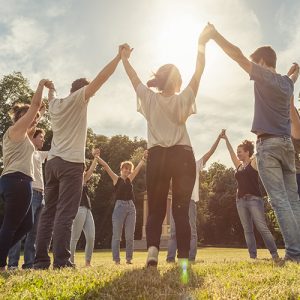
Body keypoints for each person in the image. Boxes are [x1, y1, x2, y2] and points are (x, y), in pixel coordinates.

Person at [207, 23, 300, 262]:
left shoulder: (264, 76)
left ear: (261, 62)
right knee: (293, 200)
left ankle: (293, 253)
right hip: (287, 147)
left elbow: (237, 55)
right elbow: (292, 75)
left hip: (268, 146)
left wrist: (216, 35)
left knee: (279, 201)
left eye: (255, 63)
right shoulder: (287, 84)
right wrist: (295, 68)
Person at [121, 25, 210, 267]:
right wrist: (202, 42)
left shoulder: (149, 99)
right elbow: (199, 71)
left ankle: (152, 251)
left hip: (158, 156)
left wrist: (124, 59)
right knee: (180, 210)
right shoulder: (183, 98)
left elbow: (133, 78)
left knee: (157, 207)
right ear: (178, 80)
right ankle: (182, 260)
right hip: (182, 156)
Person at [34, 45, 127, 270]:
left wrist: (51, 87)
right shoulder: (80, 99)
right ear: (83, 91)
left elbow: (52, 94)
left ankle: (40, 261)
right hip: (71, 164)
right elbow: (101, 78)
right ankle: (62, 261)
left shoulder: (56, 103)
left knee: (48, 213)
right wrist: (119, 57)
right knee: (65, 213)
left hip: (53, 163)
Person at [0, 79, 51, 271]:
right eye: (29, 116)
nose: (33, 120)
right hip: (17, 180)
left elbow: (35, 118)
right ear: (20, 117)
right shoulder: (14, 130)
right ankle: (1, 264)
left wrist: (41, 114)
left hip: (18, 182)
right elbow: (35, 107)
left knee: (26, 224)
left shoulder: (23, 136)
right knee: (11, 225)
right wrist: (40, 86)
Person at [166, 130, 223, 263]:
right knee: (173, 232)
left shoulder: (196, 165)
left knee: (191, 231)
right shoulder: (175, 168)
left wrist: (218, 139)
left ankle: (191, 258)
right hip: (176, 202)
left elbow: (210, 153)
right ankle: (170, 258)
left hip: (190, 202)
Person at [221, 131, 279, 260]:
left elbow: (260, 151)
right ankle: (253, 256)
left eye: (240, 151)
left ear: (247, 152)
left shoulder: (254, 162)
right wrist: (226, 139)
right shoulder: (239, 166)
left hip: (254, 199)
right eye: (238, 152)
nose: (238, 153)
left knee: (262, 227)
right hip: (240, 201)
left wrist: (261, 135)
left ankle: (274, 254)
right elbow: (231, 153)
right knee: (247, 230)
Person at [97, 151, 147, 264]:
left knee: (129, 236)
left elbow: (138, 168)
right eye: (126, 168)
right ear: (122, 169)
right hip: (119, 208)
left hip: (131, 208)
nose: (128, 171)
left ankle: (129, 259)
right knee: (117, 236)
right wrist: (97, 157)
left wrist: (143, 158)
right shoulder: (116, 179)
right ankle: (116, 260)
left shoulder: (130, 179)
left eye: (129, 169)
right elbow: (106, 166)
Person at [7, 128, 48, 269]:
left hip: (41, 195)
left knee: (33, 233)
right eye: (41, 136)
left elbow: (56, 151)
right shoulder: (27, 151)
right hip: (29, 192)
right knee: (21, 229)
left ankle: (29, 264)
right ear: (33, 137)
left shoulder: (40, 154)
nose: (43, 139)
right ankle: (12, 264)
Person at [70, 149, 100, 267]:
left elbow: (91, 170)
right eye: (82, 169)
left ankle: (88, 262)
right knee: (74, 238)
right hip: (78, 209)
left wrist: (96, 158)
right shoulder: (74, 180)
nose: (84, 170)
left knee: (91, 236)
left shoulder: (84, 179)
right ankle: (70, 261)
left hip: (87, 209)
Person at [290, 95, 300, 197]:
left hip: (295, 173)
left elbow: (297, 134)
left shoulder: (291, 110)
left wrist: (290, 104)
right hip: (280, 175)